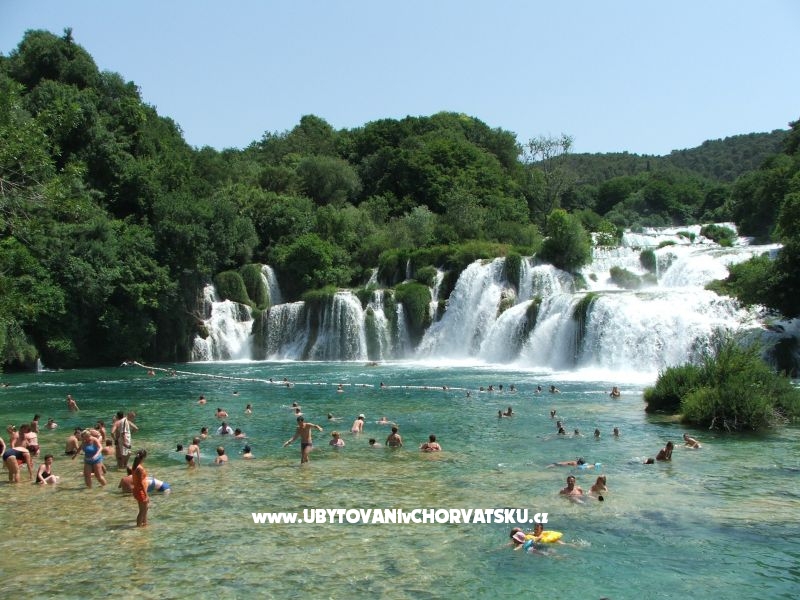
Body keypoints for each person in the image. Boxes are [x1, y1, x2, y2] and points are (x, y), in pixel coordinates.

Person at [131, 450, 149, 527]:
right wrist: (146, 495)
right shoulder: (139, 468)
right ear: (143, 457)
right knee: (142, 510)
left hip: (137, 490)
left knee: (145, 509)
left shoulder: (135, 466)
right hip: (140, 491)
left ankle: (144, 524)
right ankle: (138, 527)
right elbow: (141, 482)